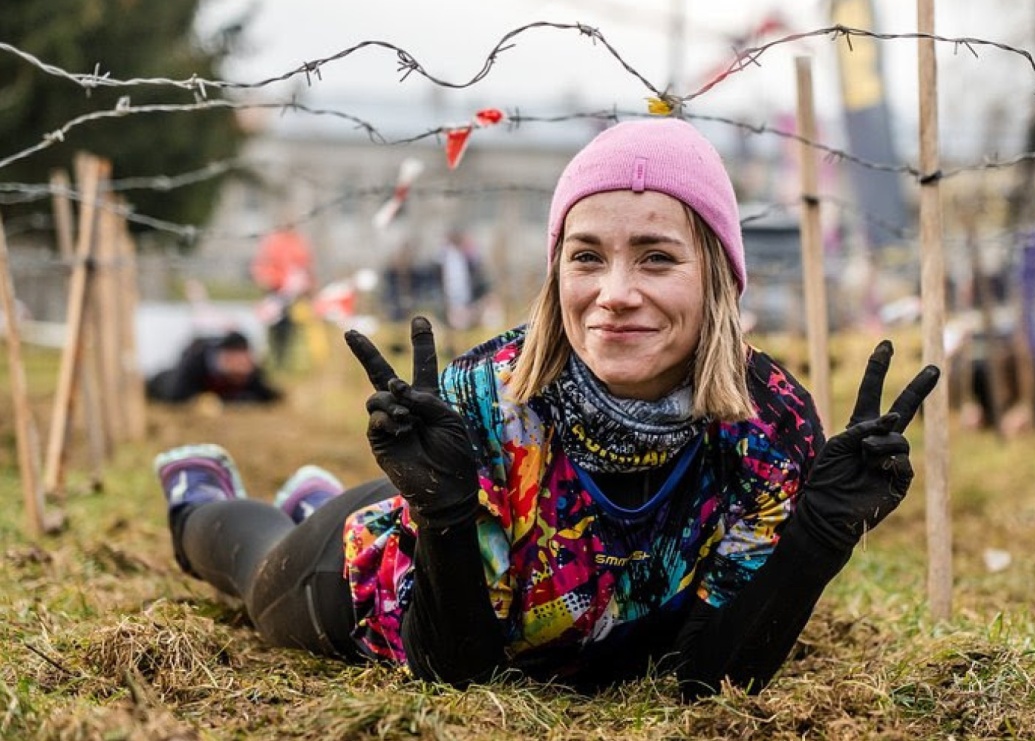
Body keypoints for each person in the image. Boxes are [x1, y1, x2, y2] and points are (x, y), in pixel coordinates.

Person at [153, 118, 939, 698]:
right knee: (254, 567)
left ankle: (310, 492)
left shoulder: (772, 427)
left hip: (571, 627)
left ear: (719, 279)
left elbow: (709, 678)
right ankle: (198, 492)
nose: (615, 293)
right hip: (392, 590)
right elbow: (457, 674)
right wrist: (441, 509)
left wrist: (818, 536)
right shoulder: (486, 398)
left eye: (657, 257)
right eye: (587, 256)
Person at [146, 330, 283, 405]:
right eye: (238, 361)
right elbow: (178, 395)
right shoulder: (197, 361)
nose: (243, 367)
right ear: (226, 358)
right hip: (165, 381)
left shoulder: (250, 370)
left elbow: (267, 395)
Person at [251, 223, 316, 368]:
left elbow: (305, 266)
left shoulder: (297, 242)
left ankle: (282, 359)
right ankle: (275, 358)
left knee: (289, 325)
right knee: (275, 324)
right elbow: (263, 265)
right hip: (276, 289)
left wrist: (307, 285)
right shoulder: (275, 242)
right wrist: (267, 281)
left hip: (292, 292)